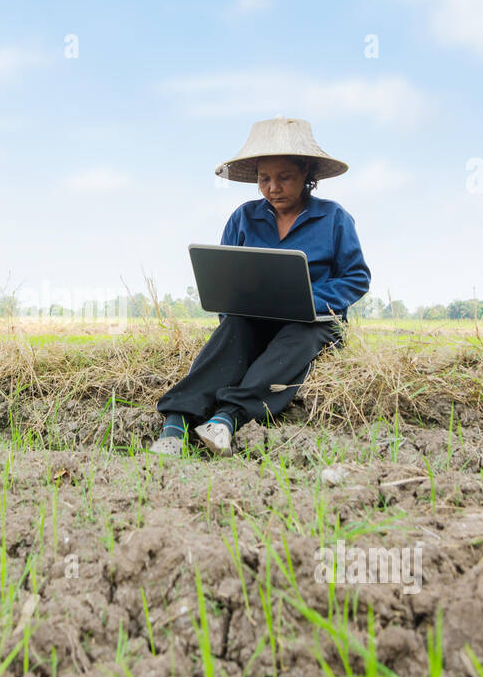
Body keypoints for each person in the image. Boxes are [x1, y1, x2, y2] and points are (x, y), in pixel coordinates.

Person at [150, 117, 371, 458]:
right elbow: (225, 280)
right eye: (264, 179)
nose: (273, 188)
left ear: (307, 175)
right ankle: (175, 422)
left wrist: (308, 301)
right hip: (254, 318)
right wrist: (238, 313)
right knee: (234, 328)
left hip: (313, 323)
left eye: (284, 178)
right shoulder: (244, 218)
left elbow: (356, 277)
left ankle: (227, 418)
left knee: (302, 333)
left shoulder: (334, 219)